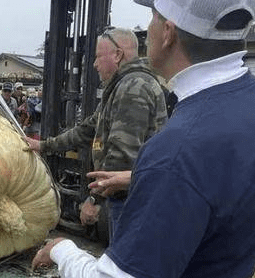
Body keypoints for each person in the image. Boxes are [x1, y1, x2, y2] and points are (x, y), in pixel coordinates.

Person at [32, 0, 255, 278]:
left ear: (168, 32)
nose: (147, 30)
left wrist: (63, 250)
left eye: (151, 18)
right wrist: (138, 177)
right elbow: (218, 191)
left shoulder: (181, 148)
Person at [24, 27, 167, 239]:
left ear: (117, 55)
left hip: (131, 200)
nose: (94, 64)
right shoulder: (122, 87)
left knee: (123, 262)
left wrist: (94, 200)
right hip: (127, 196)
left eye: (99, 56)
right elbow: (87, 129)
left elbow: (122, 156)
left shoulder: (133, 87)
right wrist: (44, 145)